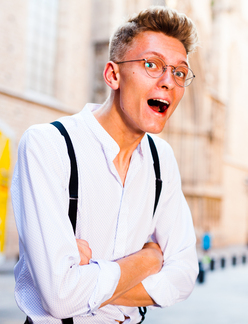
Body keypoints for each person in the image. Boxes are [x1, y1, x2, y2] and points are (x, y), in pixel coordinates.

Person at [11, 6, 199, 324]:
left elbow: (184, 277)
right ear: (113, 75)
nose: (169, 81)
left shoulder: (161, 159)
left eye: (179, 72)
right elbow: (59, 298)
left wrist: (86, 277)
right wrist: (149, 258)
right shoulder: (49, 145)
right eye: (152, 64)